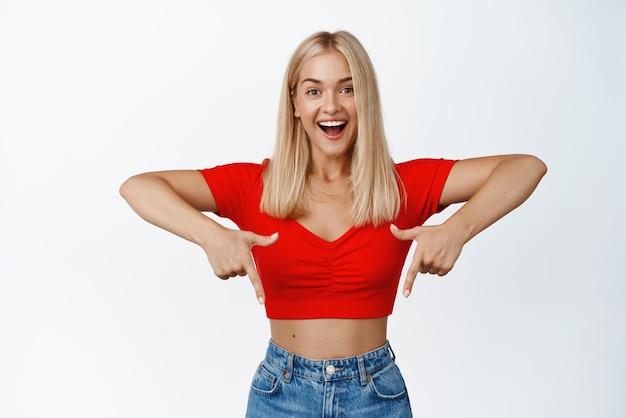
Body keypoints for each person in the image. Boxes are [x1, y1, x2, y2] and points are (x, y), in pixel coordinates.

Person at [120, 30, 547, 417]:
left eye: (348, 88)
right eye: (314, 91)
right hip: (280, 394)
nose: (331, 105)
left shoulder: (403, 186)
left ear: (367, 99)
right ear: (294, 104)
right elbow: (139, 187)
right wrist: (209, 234)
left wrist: (459, 228)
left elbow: (525, 167)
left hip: (375, 396)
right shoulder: (253, 186)